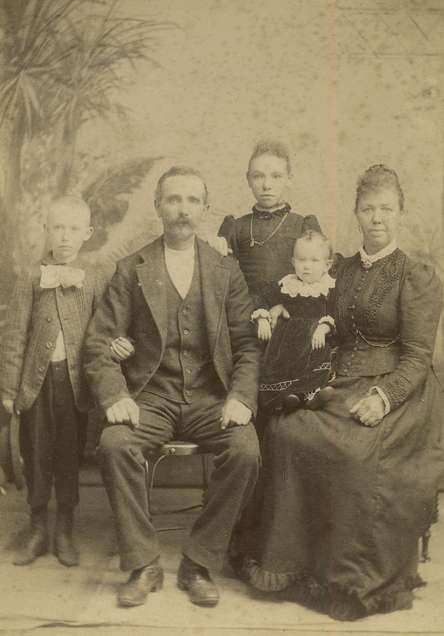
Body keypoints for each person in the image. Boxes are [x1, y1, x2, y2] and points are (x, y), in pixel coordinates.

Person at [239, 164, 443, 620]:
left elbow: (416, 357)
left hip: (399, 391)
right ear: (356, 213)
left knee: (354, 450)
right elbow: (319, 323)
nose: (377, 218)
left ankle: (349, 578)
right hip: (340, 380)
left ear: (401, 213)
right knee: (289, 431)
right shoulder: (343, 269)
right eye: (368, 209)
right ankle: (294, 566)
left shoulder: (415, 275)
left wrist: (383, 397)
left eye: (386, 209)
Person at [83, 166, 260, 609]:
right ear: (158, 207)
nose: (183, 209)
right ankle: (143, 563)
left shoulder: (225, 270)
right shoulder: (132, 269)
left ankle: (198, 562)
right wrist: (116, 395)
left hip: (209, 396)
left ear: (204, 208)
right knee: (114, 443)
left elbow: (247, 347)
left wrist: (240, 397)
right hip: (151, 396)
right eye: (174, 200)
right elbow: (99, 343)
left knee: (246, 451)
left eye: (192, 201)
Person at [0, 196, 108, 567]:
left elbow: (101, 333)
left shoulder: (92, 279)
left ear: (87, 233)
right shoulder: (31, 278)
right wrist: (9, 390)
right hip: (37, 383)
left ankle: (64, 527)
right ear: (46, 230)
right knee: (36, 453)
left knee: (68, 455)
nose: (64, 237)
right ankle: (37, 527)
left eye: (73, 229)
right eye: (57, 228)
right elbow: (14, 335)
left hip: (75, 386)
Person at [218, 142, 320, 309]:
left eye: (276, 176)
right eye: (258, 176)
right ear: (248, 179)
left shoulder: (303, 226)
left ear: (289, 179)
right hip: (248, 313)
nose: (267, 185)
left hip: (292, 312)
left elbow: (318, 279)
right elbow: (221, 280)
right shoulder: (236, 227)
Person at [255, 230, 336, 415]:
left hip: (313, 339)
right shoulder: (287, 284)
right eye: (301, 260)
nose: (307, 266)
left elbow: (335, 312)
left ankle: (311, 395)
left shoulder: (329, 287)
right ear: (293, 262)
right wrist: (263, 320)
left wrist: (323, 328)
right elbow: (262, 299)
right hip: (286, 342)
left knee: (316, 361)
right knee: (282, 366)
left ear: (327, 265)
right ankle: (287, 397)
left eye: (314, 261)